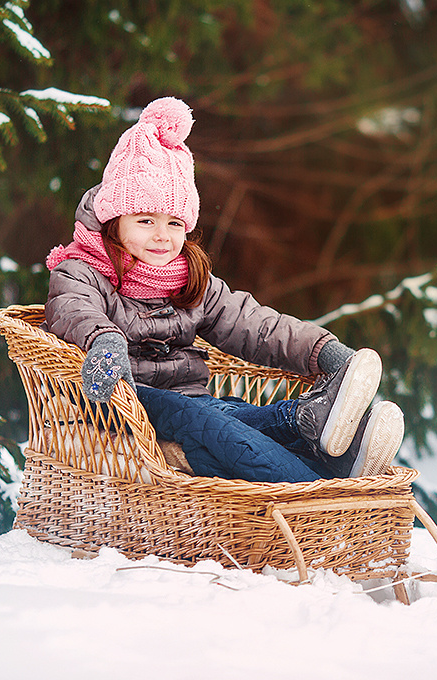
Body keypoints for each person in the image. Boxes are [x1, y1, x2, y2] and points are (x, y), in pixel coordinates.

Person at [44, 96, 404, 483]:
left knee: (230, 421)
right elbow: (72, 308)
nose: (162, 237)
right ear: (114, 220)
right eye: (145, 220)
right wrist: (104, 340)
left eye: (174, 224)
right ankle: (325, 491)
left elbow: (255, 325)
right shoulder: (83, 269)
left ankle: (314, 430)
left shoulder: (188, 278)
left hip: (194, 405)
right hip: (120, 404)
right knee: (207, 422)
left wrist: (322, 351)